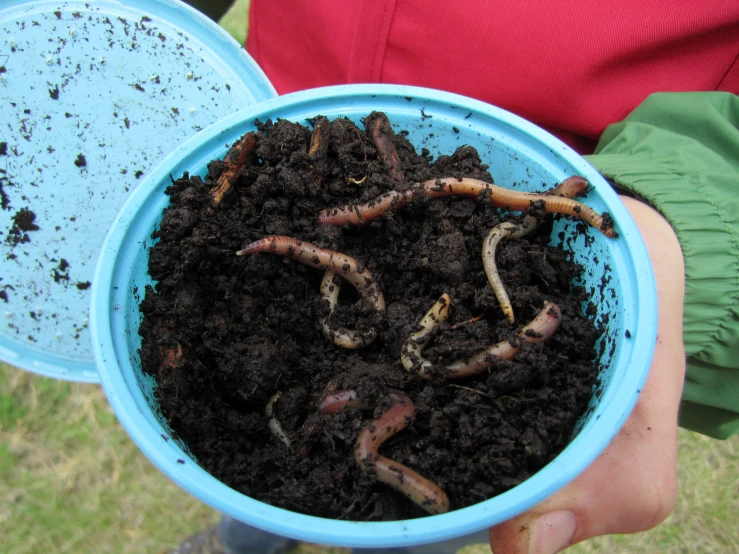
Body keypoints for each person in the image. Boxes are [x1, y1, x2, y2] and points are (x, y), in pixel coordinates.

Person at [175, 1, 739, 553]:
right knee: (265, 490)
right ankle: (247, 539)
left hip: (582, 167)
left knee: (408, 522)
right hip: (283, 94)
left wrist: (668, 226)